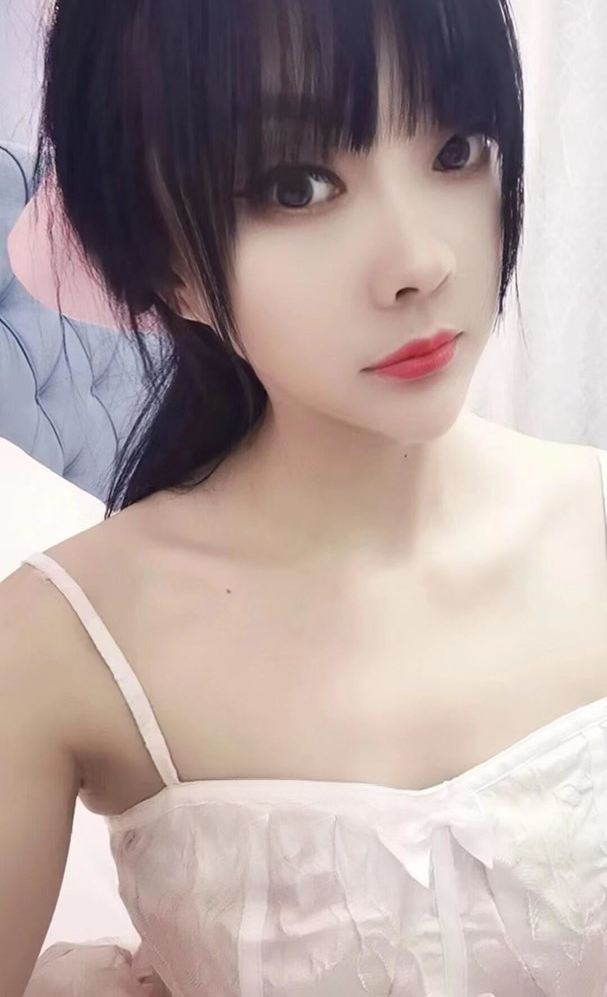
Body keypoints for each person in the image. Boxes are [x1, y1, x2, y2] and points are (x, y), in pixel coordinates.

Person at [3, 0, 607, 994]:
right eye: (299, 186)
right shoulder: (57, 644)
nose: (423, 262)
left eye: (456, 149)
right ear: (162, 261)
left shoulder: (591, 521)